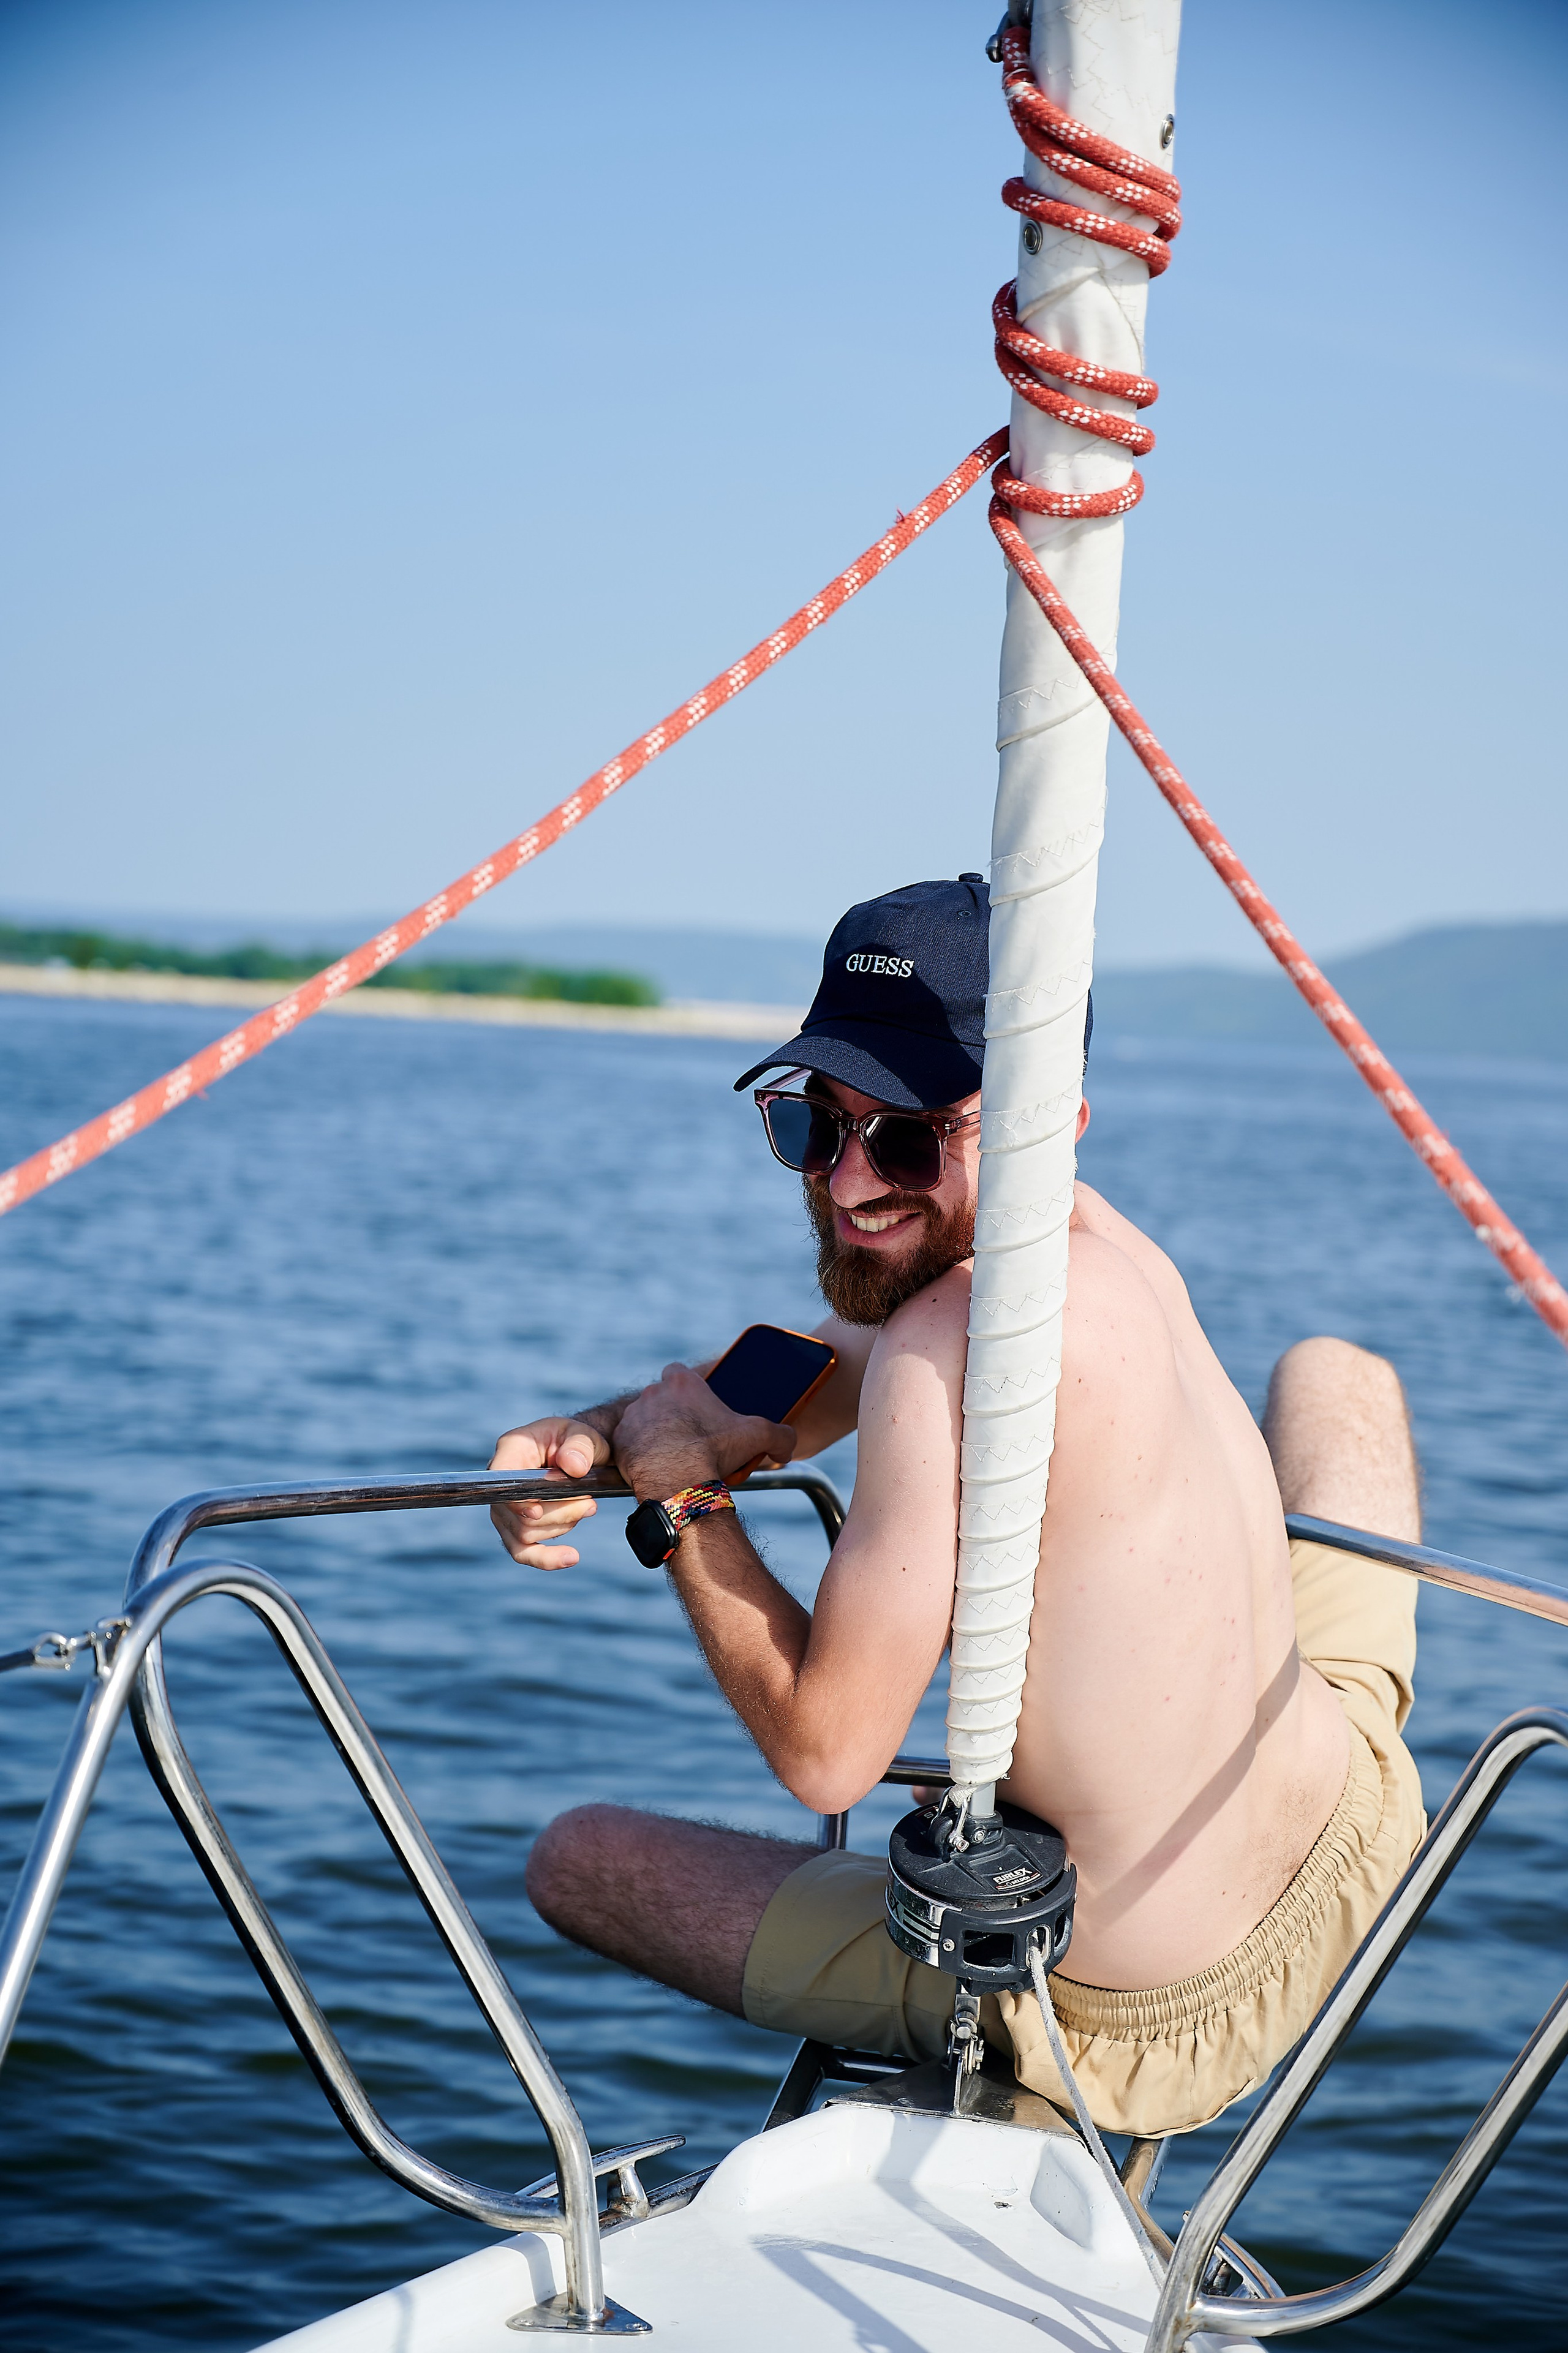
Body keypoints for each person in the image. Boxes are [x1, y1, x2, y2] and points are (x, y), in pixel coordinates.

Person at [489, 876, 1425, 2136]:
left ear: (1055, 1123)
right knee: (1335, 1376)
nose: (847, 1183)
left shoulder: (949, 1342)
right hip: (1363, 1812)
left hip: (1132, 2006)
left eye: (910, 1138)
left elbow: (827, 1753)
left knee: (575, 1858)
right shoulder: (1093, 1243)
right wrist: (599, 1430)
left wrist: (683, 1497)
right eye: (813, 1127)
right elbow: (805, 1369)